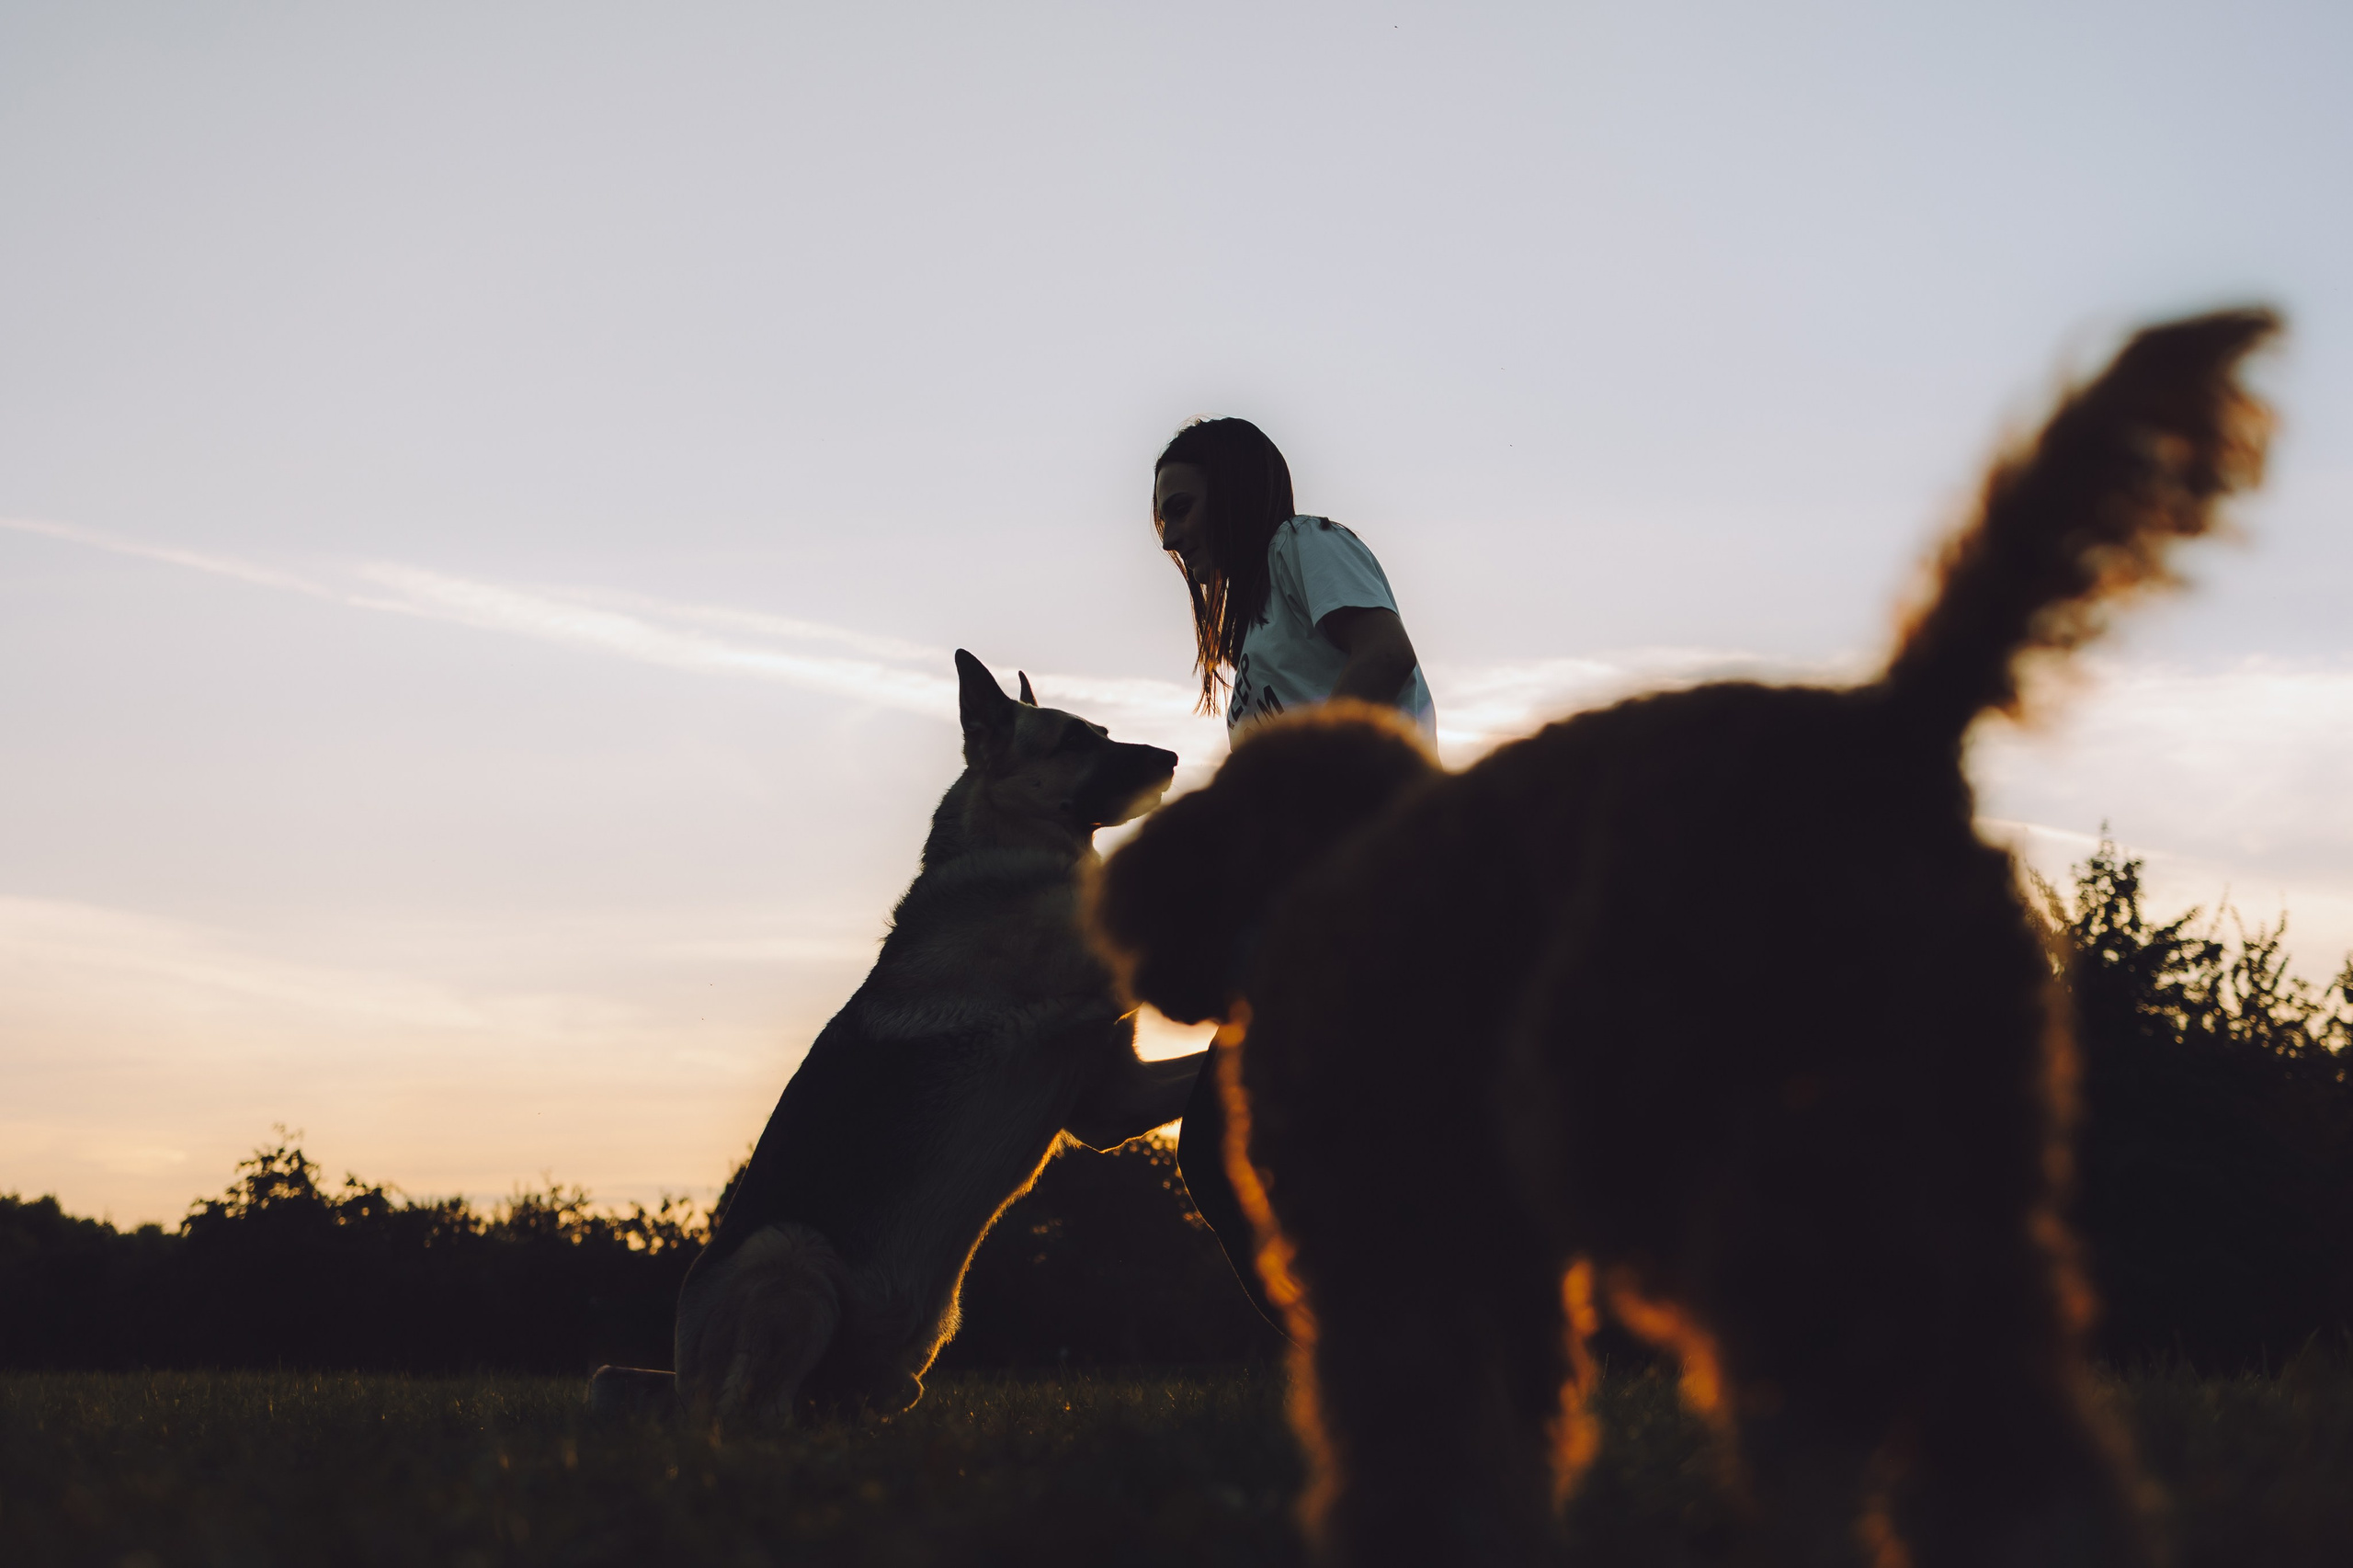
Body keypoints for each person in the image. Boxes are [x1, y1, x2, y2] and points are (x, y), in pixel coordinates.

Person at [1148, 415, 1435, 1323]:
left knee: (1233, 1141)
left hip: (1376, 877)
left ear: (1235, 488)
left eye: (1182, 508)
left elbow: (1386, 656)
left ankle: (1349, 1349)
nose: (1172, 536)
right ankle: (1356, 1344)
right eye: (1162, 524)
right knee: (1284, 1139)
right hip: (1307, 904)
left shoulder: (1303, 546)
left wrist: (1298, 783)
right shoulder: (1250, 644)